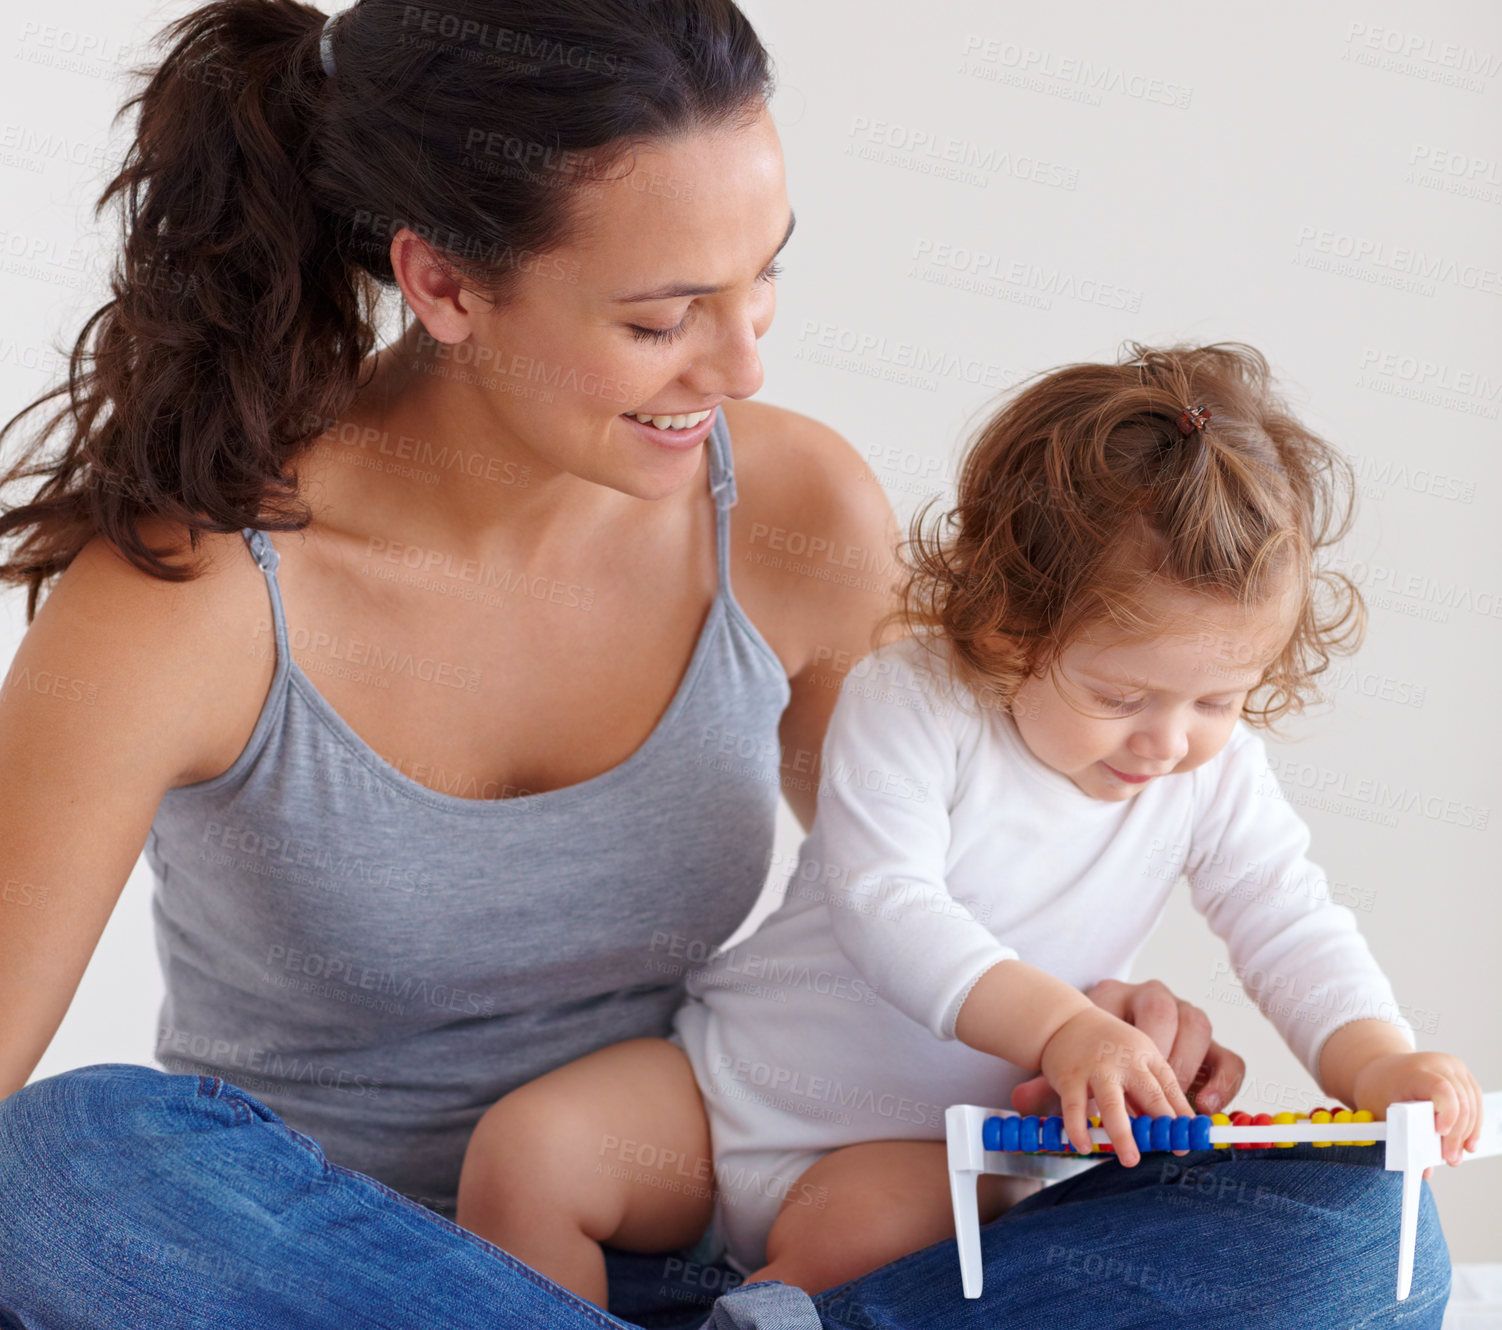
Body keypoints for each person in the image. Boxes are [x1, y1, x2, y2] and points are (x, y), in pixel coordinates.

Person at [0, 0, 1450, 1325]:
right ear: (440, 284)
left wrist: (1085, 1002)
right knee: (64, 1157)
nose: (743, 364)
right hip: (319, 1269)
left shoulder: (793, 517)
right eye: (659, 317)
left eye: (762, 280)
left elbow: (908, 868)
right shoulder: (187, 595)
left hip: (739, 1225)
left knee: (1349, 1222)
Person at [452, 343, 1481, 1311]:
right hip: (721, 1086)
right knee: (524, 1149)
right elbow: (885, 903)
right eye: (1121, 694)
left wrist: (1376, 1064)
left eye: (1217, 700)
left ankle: (762, 1312)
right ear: (1004, 624)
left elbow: (1288, 921)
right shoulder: (919, 698)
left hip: (905, 1151)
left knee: (872, 1256)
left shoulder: (1213, 779)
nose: (1168, 740)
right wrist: (1064, 1028)